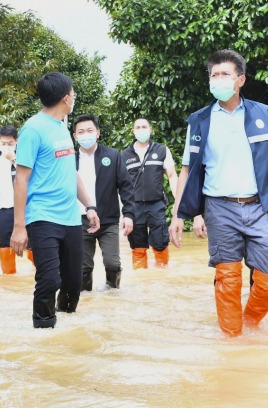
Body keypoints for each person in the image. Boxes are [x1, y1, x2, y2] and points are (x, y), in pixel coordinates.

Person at [168, 49, 268, 337]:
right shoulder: (198, 120)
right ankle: (233, 341)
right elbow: (186, 170)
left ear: (240, 80)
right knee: (228, 278)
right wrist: (179, 215)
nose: (218, 79)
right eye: (214, 75)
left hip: (260, 206)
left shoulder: (261, 114)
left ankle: (249, 322)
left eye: (225, 74)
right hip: (219, 208)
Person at [10, 72, 100, 329]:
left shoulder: (62, 127)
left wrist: (89, 205)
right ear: (65, 98)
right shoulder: (32, 130)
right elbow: (21, 180)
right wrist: (19, 227)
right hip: (42, 217)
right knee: (49, 280)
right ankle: (43, 329)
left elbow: (69, 172)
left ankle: (66, 333)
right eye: (72, 93)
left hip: (71, 217)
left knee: (74, 282)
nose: (74, 97)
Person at [73, 114, 135, 290]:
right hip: (79, 220)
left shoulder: (113, 155)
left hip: (108, 220)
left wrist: (129, 215)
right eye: (81, 132)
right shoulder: (69, 159)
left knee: (112, 263)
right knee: (83, 268)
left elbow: (126, 187)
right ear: (75, 136)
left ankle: (113, 295)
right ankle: (86, 299)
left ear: (98, 133)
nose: (86, 135)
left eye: (90, 130)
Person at [121, 118, 178, 268]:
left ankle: (162, 274)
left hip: (156, 205)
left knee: (160, 243)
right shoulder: (124, 155)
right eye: (137, 127)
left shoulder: (162, 150)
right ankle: (142, 281)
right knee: (138, 246)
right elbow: (120, 184)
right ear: (133, 131)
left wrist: (179, 202)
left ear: (150, 129)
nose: (141, 129)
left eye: (144, 126)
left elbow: (172, 176)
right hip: (134, 207)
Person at [0, 125, 34, 274]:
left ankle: (37, 272)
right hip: (5, 209)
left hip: (28, 208)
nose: (6, 147)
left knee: (32, 244)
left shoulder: (24, 158)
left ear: (16, 142)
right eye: (3, 143)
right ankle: (8, 278)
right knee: (5, 246)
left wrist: (14, 159)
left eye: (10, 143)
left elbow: (32, 177)